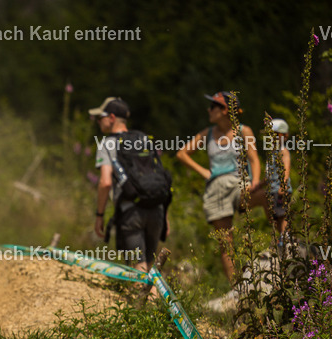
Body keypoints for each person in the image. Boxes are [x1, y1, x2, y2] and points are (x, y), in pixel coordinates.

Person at [175, 91, 261, 283]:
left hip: (241, 183)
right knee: (225, 242)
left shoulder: (243, 131)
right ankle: (236, 290)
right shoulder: (207, 134)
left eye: (213, 106)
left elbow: (254, 158)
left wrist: (255, 182)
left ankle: (283, 240)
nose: (209, 110)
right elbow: (182, 154)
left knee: (268, 195)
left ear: (225, 110)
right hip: (216, 190)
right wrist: (204, 172)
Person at [89, 97, 167, 271]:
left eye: (100, 117)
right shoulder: (144, 139)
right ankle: (154, 297)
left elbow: (105, 182)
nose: (98, 121)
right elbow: (159, 177)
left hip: (131, 213)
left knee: (137, 269)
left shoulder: (107, 144)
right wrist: (165, 217)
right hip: (156, 210)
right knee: (150, 267)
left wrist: (99, 215)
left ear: (111, 117)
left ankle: (139, 298)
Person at [244, 117, 291, 239]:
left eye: (275, 135)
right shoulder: (272, 153)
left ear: (285, 136)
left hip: (280, 190)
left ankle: (285, 238)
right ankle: (281, 238)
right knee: (274, 216)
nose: (271, 138)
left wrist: (283, 185)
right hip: (272, 190)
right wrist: (259, 185)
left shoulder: (283, 151)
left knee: (282, 215)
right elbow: (269, 176)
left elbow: (286, 169)